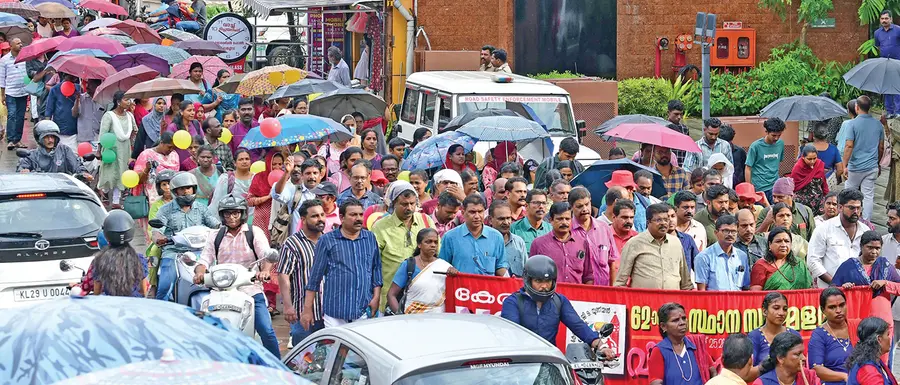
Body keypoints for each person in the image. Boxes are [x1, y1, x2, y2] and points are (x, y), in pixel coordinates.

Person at [193, 195, 280, 358]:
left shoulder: (254, 233)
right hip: (221, 291)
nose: (231, 217)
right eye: (227, 214)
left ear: (243, 214)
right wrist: (199, 272)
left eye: (235, 213)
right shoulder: (215, 235)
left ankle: (279, 367)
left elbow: (266, 256)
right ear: (221, 215)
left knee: (266, 329)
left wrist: (265, 271)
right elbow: (204, 258)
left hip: (251, 289)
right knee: (203, 327)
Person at [500, 255, 610, 352]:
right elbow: (511, 335)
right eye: (538, 281)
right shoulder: (513, 302)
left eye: (548, 281)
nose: (544, 286)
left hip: (549, 361)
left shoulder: (559, 301)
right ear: (528, 280)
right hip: (523, 361)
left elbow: (578, 326)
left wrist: (601, 346)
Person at [301, 199, 382, 327]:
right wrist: (307, 310)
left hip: (362, 311)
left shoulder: (370, 238)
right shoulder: (327, 240)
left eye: (361, 214)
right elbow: (315, 278)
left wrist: (376, 298)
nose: (359, 218)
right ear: (341, 217)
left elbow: (376, 270)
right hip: (335, 312)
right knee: (334, 347)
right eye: (353, 215)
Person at [152, 172, 220, 301]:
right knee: (165, 285)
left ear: (194, 189)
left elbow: (214, 223)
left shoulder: (201, 208)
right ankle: (160, 311)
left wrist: (222, 228)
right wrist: (158, 237)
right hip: (174, 253)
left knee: (221, 280)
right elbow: (156, 230)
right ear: (175, 192)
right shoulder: (165, 210)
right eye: (182, 189)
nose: (186, 192)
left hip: (201, 252)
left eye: (189, 188)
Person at [370, 181, 434, 310]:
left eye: (412, 204)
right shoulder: (381, 227)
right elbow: (373, 264)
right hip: (391, 297)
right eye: (404, 204)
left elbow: (437, 254)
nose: (409, 208)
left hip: (423, 299)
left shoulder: (426, 221)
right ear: (394, 204)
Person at [834, 230, 900, 339]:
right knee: (858, 353)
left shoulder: (885, 265)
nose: (874, 251)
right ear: (861, 246)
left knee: (881, 353)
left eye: (877, 248)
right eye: (870, 247)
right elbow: (832, 291)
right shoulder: (849, 266)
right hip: (857, 321)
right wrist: (844, 288)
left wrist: (886, 283)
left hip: (882, 321)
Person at [277, 199, 326, 345]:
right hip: (302, 312)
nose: (320, 219)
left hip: (328, 312)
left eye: (322, 215)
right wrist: (287, 306)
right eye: (315, 216)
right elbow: (283, 275)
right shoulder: (291, 244)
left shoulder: (328, 240)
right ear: (303, 219)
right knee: (303, 359)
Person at [615, 203, 692, 290]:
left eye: (666, 220)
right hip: (643, 302)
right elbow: (621, 282)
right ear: (648, 222)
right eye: (658, 220)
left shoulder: (676, 242)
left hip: (672, 300)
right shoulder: (634, 243)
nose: (663, 223)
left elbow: (686, 283)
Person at [387, 228, 457, 315]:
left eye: (435, 242)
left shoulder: (445, 267)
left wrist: (454, 275)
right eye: (429, 242)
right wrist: (400, 316)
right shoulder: (409, 265)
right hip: (410, 318)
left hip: (438, 318)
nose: (433, 245)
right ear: (419, 244)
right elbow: (391, 294)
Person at [808, 188, 869, 288]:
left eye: (858, 208)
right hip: (830, 292)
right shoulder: (824, 229)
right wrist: (835, 283)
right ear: (840, 207)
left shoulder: (865, 231)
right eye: (851, 208)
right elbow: (813, 261)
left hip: (859, 291)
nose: (856, 211)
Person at [439, 194, 509, 276]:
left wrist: (509, 280)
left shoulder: (496, 237)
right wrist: (449, 270)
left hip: (487, 288)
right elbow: (442, 266)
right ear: (463, 212)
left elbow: (500, 266)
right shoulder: (450, 237)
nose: (477, 216)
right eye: (472, 212)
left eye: (480, 212)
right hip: (461, 288)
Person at [647, 302, 716, 385]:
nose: (682, 323)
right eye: (675, 320)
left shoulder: (696, 345)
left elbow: (713, 372)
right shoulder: (659, 350)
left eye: (683, 318)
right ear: (663, 326)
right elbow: (656, 383)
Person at [843, 95, 885, 221]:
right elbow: (881, 147)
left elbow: (849, 145)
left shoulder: (853, 124)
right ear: (869, 108)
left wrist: (844, 165)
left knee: (849, 195)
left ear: (856, 107)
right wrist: (878, 163)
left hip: (855, 167)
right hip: (871, 166)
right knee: (868, 196)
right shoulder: (878, 125)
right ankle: (866, 223)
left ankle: (849, 219)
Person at [530, 202, 594, 284]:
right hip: (549, 295)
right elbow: (532, 275)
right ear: (551, 221)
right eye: (559, 219)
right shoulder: (539, 244)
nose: (564, 222)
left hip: (576, 295)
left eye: (567, 219)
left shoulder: (582, 243)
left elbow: (588, 276)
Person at [806, 287, 858, 385]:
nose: (838, 310)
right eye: (832, 307)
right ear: (823, 310)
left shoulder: (857, 327)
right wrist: (844, 376)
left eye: (842, 305)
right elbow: (817, 369)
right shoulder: (819, 335)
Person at [90, 210, 148, 298]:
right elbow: (143, 291)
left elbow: (96, 292)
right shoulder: (139, 259)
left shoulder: (99, 260)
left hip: (110, 306)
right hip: (134, 305)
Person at [570, 186, 619, 286]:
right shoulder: (567, 231)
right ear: (571, 207)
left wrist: (613, 290)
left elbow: (612, 262)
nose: (585, 209)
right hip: (579, 292)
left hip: (603, 289)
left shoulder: (604, 228)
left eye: (587, 204)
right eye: (579, 206)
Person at [97, 91, 135, 209]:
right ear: (118, 102)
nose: (128, 102)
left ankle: (115, 201)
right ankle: (103, 191)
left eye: (129, 100)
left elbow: (134, 131)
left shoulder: (130, 116)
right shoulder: (109, 115)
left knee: (121, 173)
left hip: (124, 150)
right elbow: (103, 134)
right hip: (111, 149)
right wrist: (99, 150)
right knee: (109, 174)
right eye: (126, 99)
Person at [694, 215, 748, 291]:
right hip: (714, 302)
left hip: (737, 302)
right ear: (716, 232)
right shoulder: (704, 257)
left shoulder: (742, 256)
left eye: (733, 231)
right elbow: (701, 291)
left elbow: (745, 287)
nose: (730, 234)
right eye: (725, 231)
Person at [748, 293, 801, 367]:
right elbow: (749, 370)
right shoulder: (755, 336)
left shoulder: (794, 335)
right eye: (776, 308)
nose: (781, 313)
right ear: (764, 311)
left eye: (785, 309)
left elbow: (801, 366)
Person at [16, 120, 87, 177]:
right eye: (46, 137)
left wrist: (83, 173)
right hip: (40, 189)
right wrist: (24, 171)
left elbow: (77, 166)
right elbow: (22, 168)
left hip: (61, 189)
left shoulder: (64, 150)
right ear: (39, 139)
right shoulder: (32, 155)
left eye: (52, 137)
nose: (50, 140)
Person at [757, 177, 816, 242]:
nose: (775, 200)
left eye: (780, 197)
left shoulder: (805, 211)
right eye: (774, 196)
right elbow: (756, 239)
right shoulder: (766, 212)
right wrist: (766, 222)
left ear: (791, 196)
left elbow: (813, 239)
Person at [846, 317, 898, 385]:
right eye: (887, 335)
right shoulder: (868, 370)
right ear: (879, 339)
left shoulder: (873, 360)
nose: (889, 338)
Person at [746, 118, 786, 203]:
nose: (776, 138)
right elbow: (748, 168)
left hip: (775, 186)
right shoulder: (755, 146)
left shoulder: (781, 144)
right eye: (773, 135)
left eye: (779, 135)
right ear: (766, 132)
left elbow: (778, 162)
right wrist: (750, 189)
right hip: (759, 187)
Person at [247, 151, 284, 240]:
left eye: (280, 164)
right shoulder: (259, 177)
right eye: (274, 164)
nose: (277, 167)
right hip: (261, 220)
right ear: (268, 163)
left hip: (280, 219)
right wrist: (268, 197)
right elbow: (249, 201)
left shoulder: (285, 178)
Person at [209, 149, 253, 215]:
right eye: (241, 159)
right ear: (234, 163)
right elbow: (217, 202)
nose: (244, 162)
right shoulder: (226, 178)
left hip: (254, 218)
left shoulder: (256, 178)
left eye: (247, 159)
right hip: (231, 219)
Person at [490, 200, 528, 277]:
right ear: (490, 220)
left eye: (508, 218)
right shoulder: (484, 243)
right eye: (501, 219)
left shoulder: (519, 242)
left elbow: (526, 272)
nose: (506, 222)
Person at [1, 38, 27, 150]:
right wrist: (2, 95)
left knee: (21, 117)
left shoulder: (24, 57)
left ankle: (18, 140)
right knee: (12, 115)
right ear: (11, 46)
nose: (20, 45)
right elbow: (1, 78)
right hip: (10, 92)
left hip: (23, 91)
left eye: (21, 43)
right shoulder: (4, 60)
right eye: (18, 43)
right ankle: (11, 140)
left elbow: (28, 73)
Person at [791, 144, 830, 215]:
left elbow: (823, 181)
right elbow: (794, 186)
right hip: (802, 202)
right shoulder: (798, 168)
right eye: (809, 159)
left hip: (818, 201)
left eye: (814, 158)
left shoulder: (819, 164)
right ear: (803, 157)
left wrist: (827, 194)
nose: (812, 161)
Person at [510, 188, 551, 253]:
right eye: (536, 203)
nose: (541, 206)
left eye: (544, 203)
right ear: (526, 206)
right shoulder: (514, 229)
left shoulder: (551, 229)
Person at [876, 10, 900, 117]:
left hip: (897, 63)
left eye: (886, 18)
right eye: (882, 19)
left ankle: (898, 111)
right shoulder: (877, 33)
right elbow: (878, 46)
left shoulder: (898, 30)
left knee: (897, 86)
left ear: (891, 19)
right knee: (886, 87)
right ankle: (890, 111)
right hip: (884, 64)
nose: (884, 20)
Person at [73, 79, 103, 148]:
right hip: (84, 139)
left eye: (90, 84)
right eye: (87, 83)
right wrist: (77, 100)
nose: (87, 86)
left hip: (98, 138)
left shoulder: (103, 99)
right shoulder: (81, 98)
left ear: (97, 86)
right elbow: (74, 114)